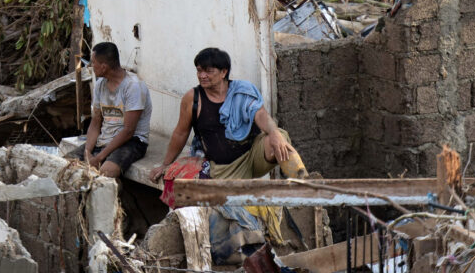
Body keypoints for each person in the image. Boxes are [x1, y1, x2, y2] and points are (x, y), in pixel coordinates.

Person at [150, 47, 307, 183]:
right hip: (222, 170)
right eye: (199, 70)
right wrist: (166, 164)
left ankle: (304, 182)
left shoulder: (242, 91)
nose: (202, 75)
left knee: (280, 136)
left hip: (251, 158)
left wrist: (274, 133)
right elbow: (181, 132)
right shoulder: (192, 98)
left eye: (208, 71)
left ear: (223, 72)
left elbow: (261, 115)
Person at [71, 42, 152, 178]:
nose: (91, 66)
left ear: (104, 67)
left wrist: (99, 157)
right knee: (66, 164)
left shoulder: (133, 87)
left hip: (133, 141)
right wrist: (87, 152)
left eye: (93, 62)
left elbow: (128, 131)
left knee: (106, 172)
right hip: (105, 139)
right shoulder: (99, 85)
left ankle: (118, 195)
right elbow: (96, 122)